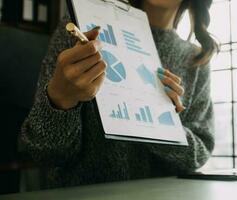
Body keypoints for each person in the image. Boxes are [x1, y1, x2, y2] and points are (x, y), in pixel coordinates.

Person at [21, 0, 218, 189]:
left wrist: (162, 126)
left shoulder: (196, 61)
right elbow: (42, 150)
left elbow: (199, 154)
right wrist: (61, 99)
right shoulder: (82, 27)